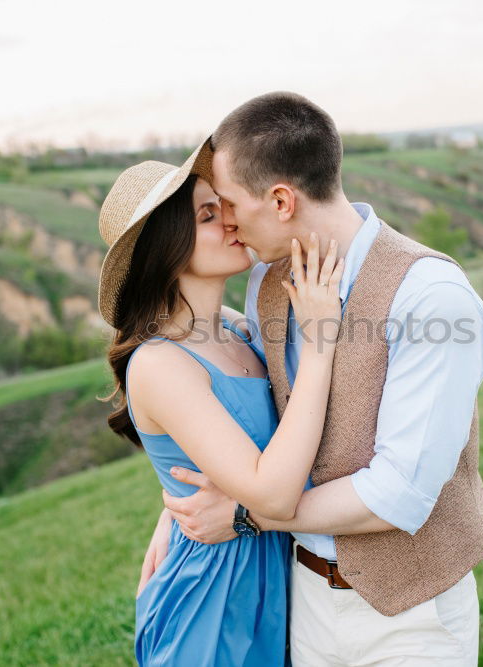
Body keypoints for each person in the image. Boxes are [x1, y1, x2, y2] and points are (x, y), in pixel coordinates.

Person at [143, 91, 483, 665]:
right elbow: (248, 413)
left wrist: (241, 515)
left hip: (412, 618)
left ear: (281, 200)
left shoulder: (432, 300)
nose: (227, 223)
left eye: (228, 204)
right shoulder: (266, 282)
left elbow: (397, 495)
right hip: (302, 603)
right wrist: (181, 505)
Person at [97, 139, 346, 665]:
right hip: (211, 594)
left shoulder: (239, 327)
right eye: (209, 214)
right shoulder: (161, 363)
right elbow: (272, 496)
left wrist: (168, 512)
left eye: (225, 207)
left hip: (274, 573)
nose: (231, 221)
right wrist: (320, 343)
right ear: (167, 245)